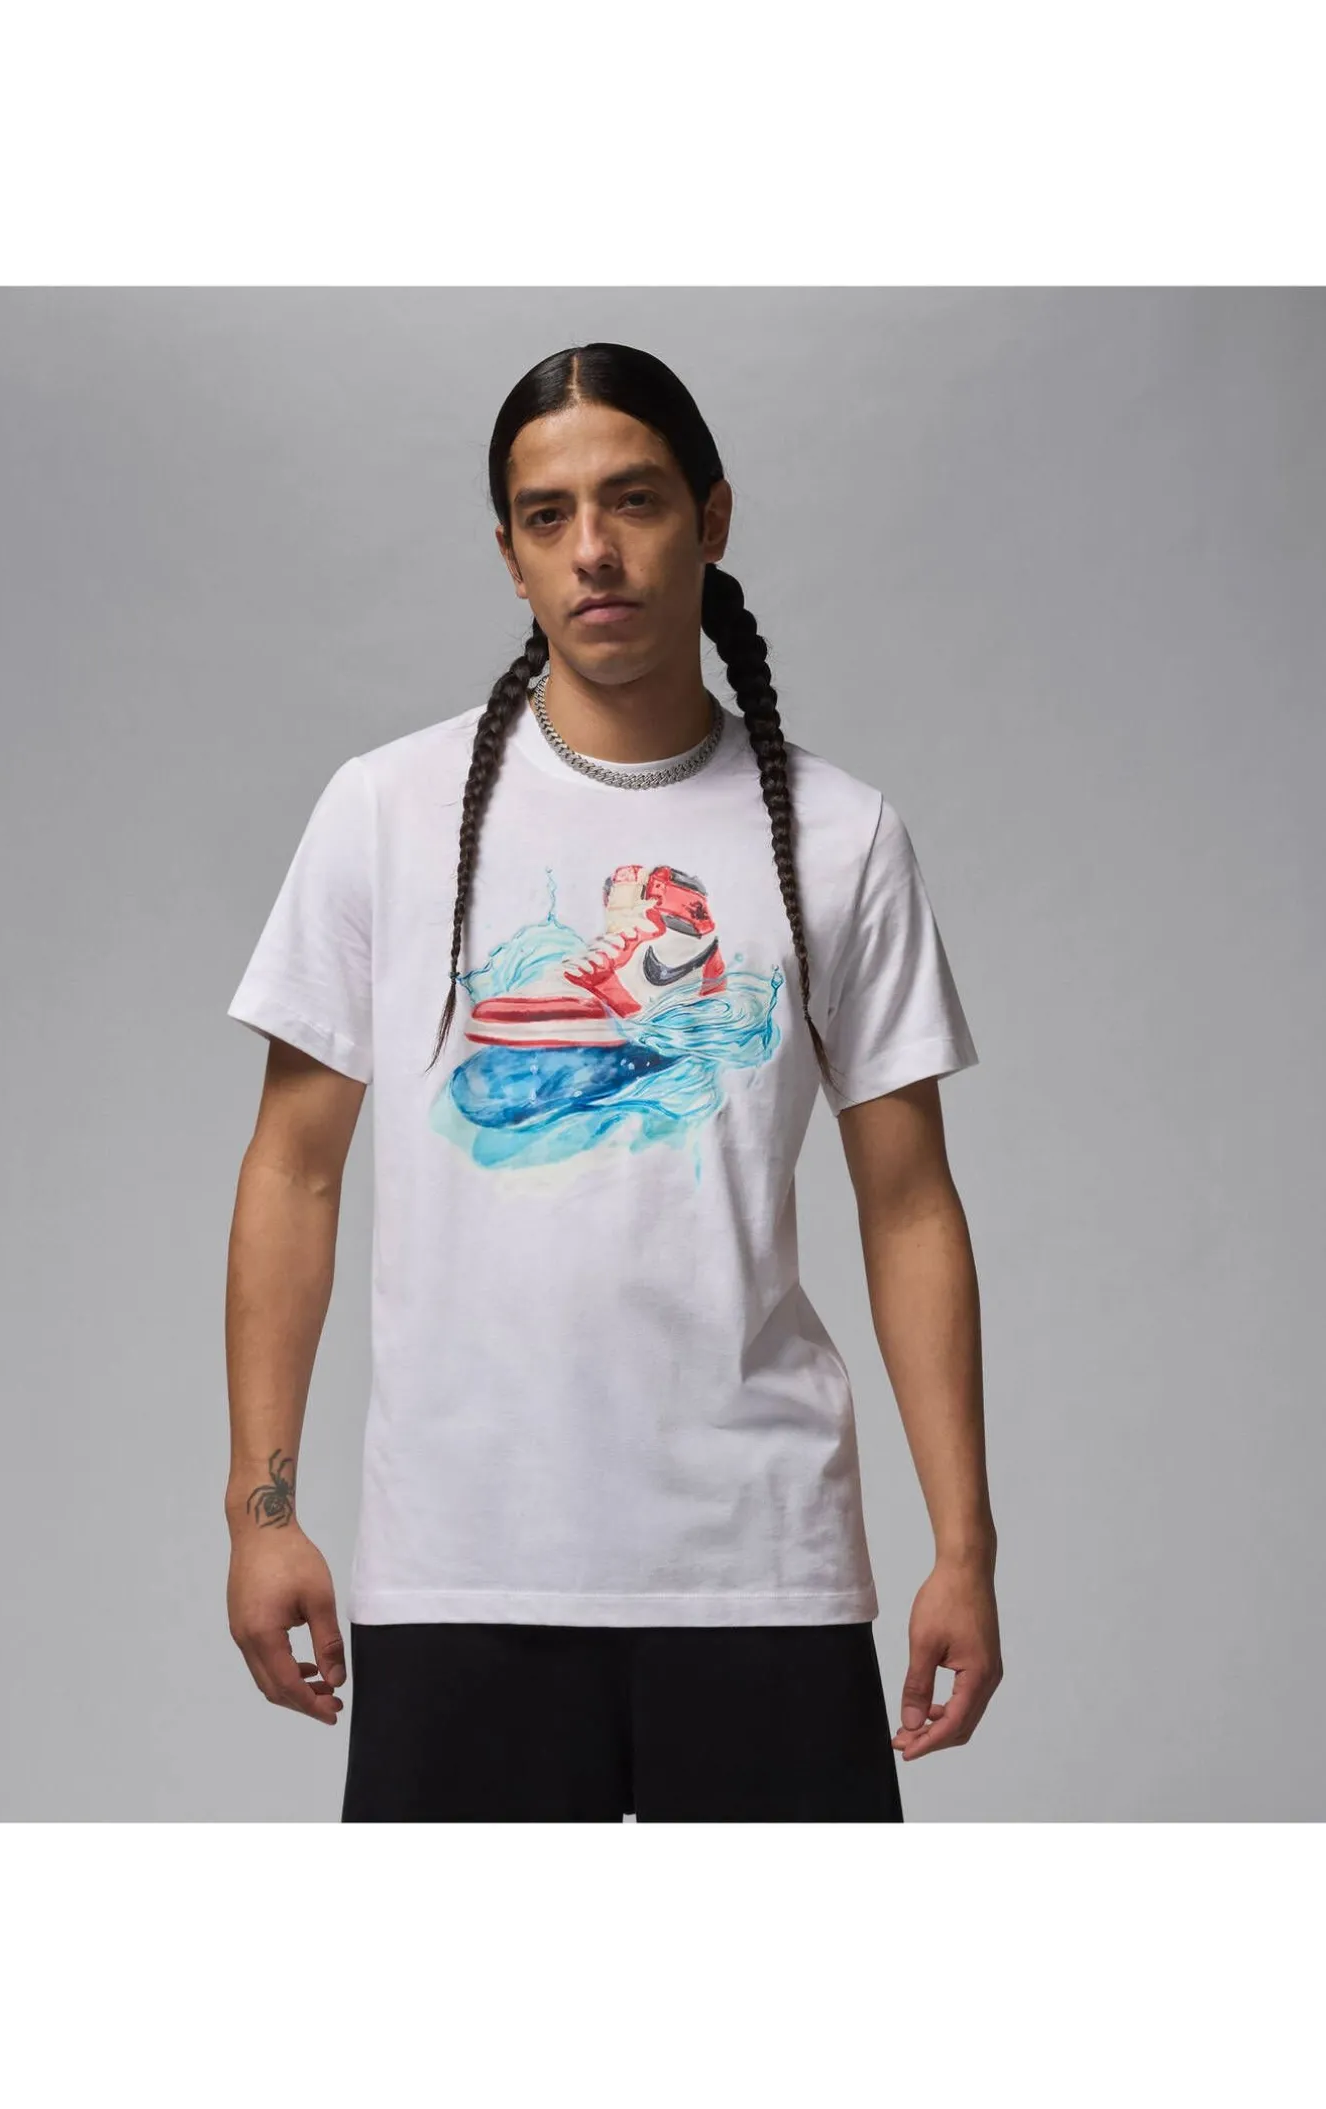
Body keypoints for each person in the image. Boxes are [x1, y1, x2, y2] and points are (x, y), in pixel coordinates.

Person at [223, 341, 1002, 1821]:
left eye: (634, 500)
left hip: (762, 1566)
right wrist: (261, 1507)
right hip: (458, 1567)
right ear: (511, 555)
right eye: (548, 514)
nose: (593, 548)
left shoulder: (841, 836)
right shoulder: (385, 811)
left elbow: (909, 1208)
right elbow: (293, 1172)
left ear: (713, 518)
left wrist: (964, 1548)